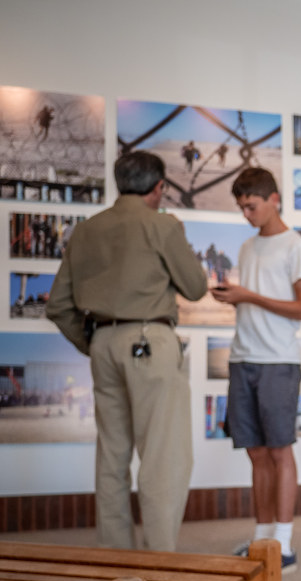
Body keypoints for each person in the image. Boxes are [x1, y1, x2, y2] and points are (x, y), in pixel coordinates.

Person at [46, 151, 207, 551]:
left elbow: (58, 307)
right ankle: (160, 563)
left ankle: (115, 567)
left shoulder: (86, 230)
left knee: (111, 457)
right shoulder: (162, 225)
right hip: (151, 341)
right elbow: (196, 287)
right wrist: (177, 234)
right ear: (159, 187)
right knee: (163, 458)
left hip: (103, 344)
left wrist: (94, 344)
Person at [212, 168, 301, 574]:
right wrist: (235, 299)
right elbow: (257, 302)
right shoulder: (247, 247)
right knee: (255, 453)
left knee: (279, 450)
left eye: (250, 206)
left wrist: (247, 296)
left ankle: (284, 546)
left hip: (278, 361)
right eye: (241, 208)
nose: (246, 214)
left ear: (273, 199)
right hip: (242, 358)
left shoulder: (296, 247)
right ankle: (262, 538)